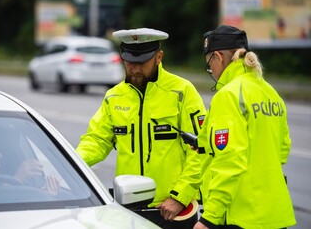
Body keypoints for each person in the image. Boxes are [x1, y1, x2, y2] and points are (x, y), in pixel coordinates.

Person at [76, 28, 206, 228]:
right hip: (127, 210)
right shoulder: (114, 96)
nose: (135, 69)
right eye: (129, 62)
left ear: (159, 57)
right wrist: (70, 164)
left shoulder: (182, 91)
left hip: (172, 210)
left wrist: (180, 197)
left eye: (142, 62)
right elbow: (96, 141)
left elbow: (202, 149)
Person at [194, 24, 296, 228]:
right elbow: (282, 151)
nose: (212, 72)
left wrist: (209, 218)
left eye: (209, 65)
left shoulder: (229, 95)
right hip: (275, 214)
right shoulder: (270, 92)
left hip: (242, 217)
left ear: (219, 57)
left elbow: (229, 161)